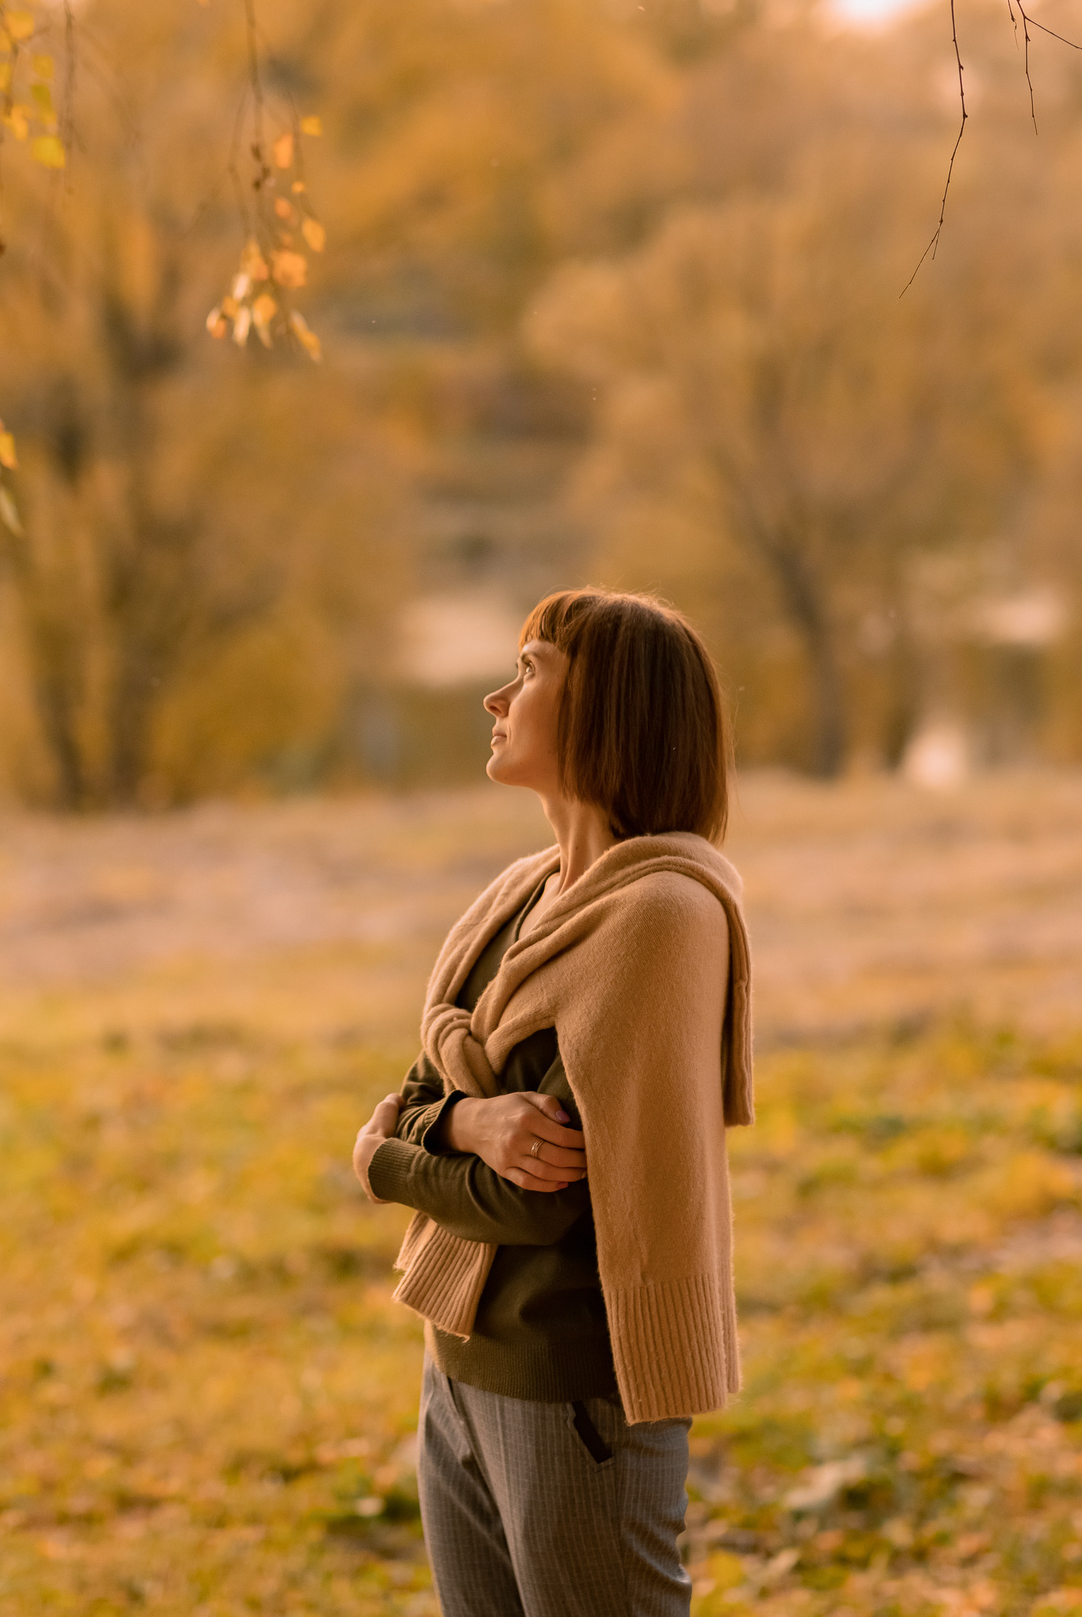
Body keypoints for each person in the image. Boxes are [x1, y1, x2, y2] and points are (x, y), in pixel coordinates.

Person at [349, 587, 753, 1617]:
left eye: (528, 671)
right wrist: (462, 1122)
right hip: (460, 1356)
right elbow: (425, 1084)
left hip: (574, 1384)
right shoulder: (521, 895)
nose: (495, 695)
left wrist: (387, 1158)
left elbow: (541, 1195)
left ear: (605, 709)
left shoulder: (659, 915)